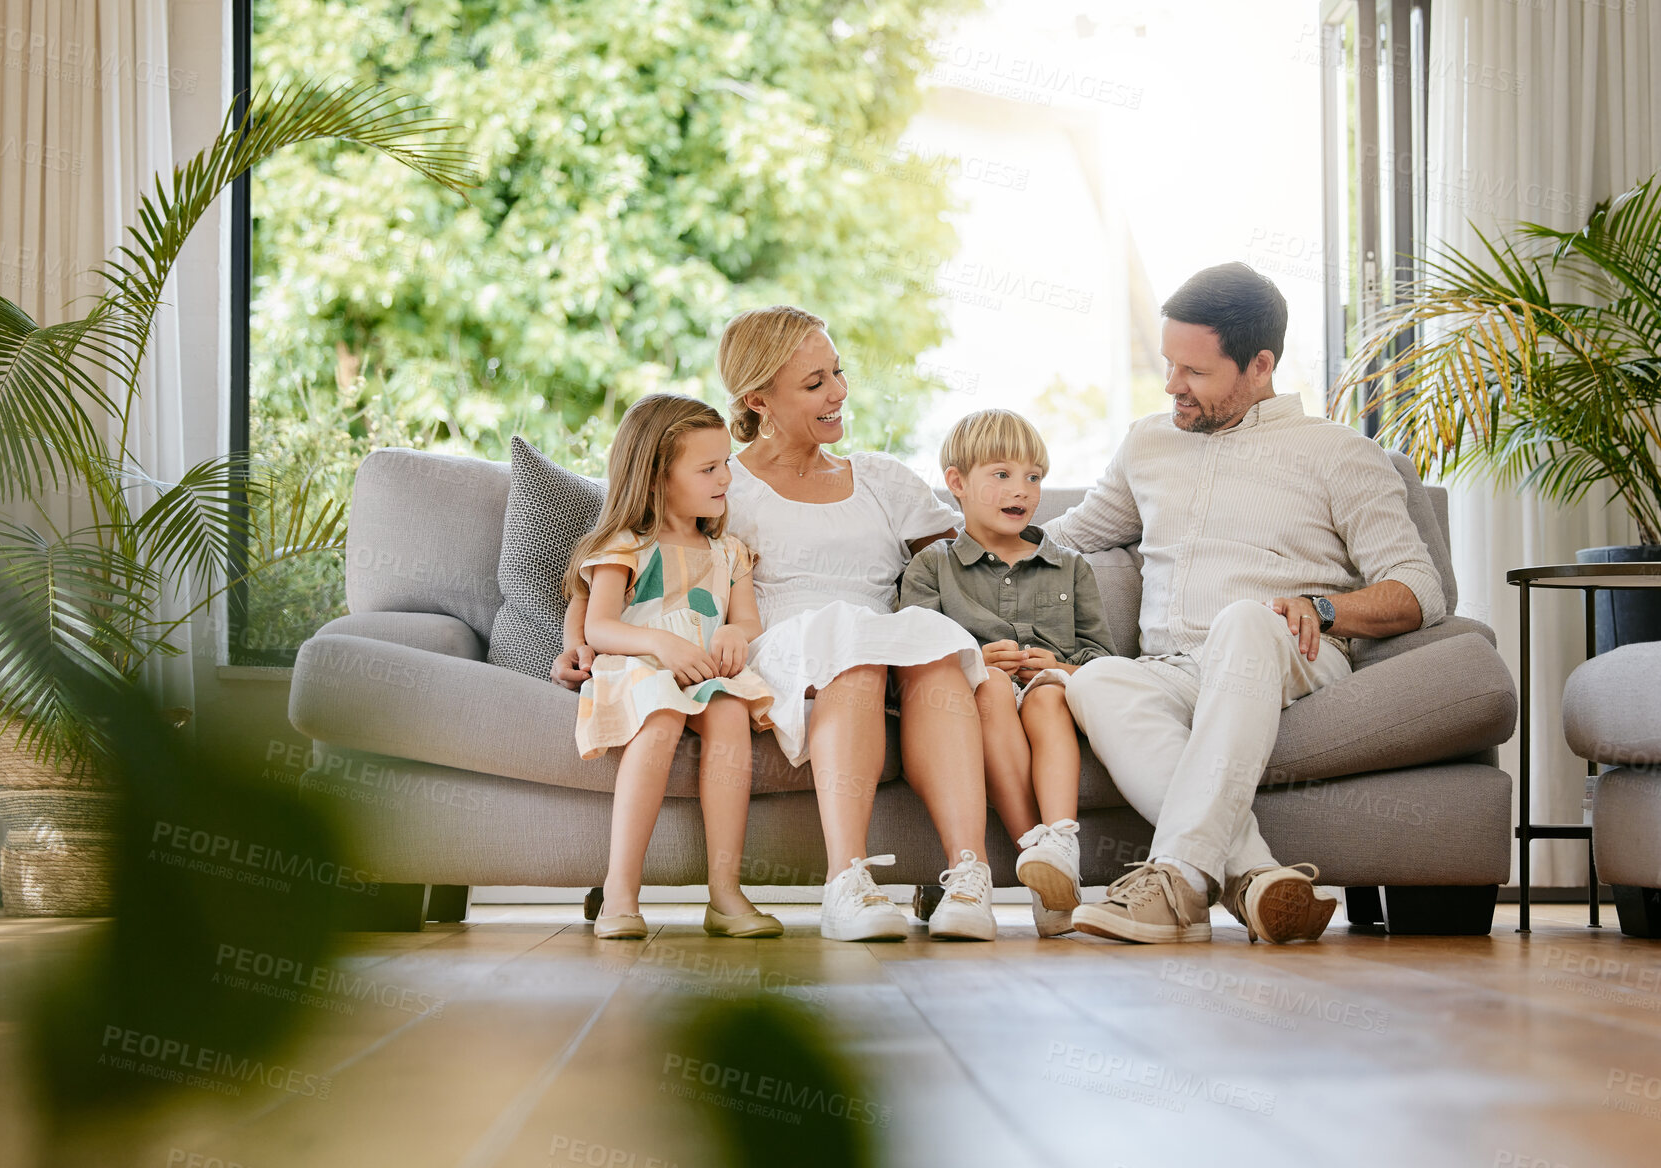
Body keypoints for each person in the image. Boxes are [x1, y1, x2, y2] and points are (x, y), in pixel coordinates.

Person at [556, 306, 998, 942]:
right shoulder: (718, 482)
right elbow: (622, 549)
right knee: (853, 654)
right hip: (787, 650)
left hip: (880, 638)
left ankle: (966, 876)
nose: (839, 392)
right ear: (757, 399)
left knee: (933, 653)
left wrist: (1007, 632)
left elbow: (972, 561)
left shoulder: (879, 479)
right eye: (815, 383)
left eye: (838, 373)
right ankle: (846, 881)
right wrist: (577, 641)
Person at [1049, 262, 1446, 945]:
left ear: (1258, 364)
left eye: (1194, 373)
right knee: (1094, 678)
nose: (1172, 385)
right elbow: (1064, 538)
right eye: (1168, 365)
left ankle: (1172, 880)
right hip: (1173, 668)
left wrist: (1321, 608)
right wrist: (928, 540)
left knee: (1244, 617)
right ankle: (1256, 878)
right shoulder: (1148, 443)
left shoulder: (1338, 454)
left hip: (1288, 655)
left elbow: (1420, 590)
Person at [565, 393, 781, 942]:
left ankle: (725, 893)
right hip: (640, 668)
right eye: (708, 468)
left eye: (726, 464)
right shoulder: (625, 545)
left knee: (731, 711)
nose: (726, 479)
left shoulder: (729, 552)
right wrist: (660, 645)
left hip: (705, 671)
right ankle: (620, 891)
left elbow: (749, 622)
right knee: (660, 716)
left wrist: (734, 631)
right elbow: (599, 627)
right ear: (658, 477)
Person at [900, 409, 1115, 938]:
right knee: (993, 685)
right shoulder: (932, 566)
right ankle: (1038, 861)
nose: (1021, 489)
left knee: (1047, 697)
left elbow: (1101, 657)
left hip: (1051, 693)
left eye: (1033, 477)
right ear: (957, 483)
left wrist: (1060, 665)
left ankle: (1060, 842)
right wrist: (972, 657)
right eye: (1001, 474)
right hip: (981, 697)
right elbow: (914, 650)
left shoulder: (1071, 567)